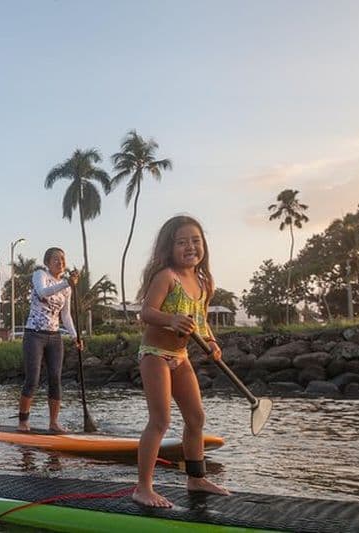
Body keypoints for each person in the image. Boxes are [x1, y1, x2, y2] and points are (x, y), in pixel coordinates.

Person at [132, 215, 229, 508]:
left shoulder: (203, 282)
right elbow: (146, 313)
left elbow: (201, 321)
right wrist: (171, 319)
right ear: (169, 247)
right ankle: (143, 488)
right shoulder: (167, 277)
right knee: (160, 420)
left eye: (196, 241)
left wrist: (211, 341)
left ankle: (196, 477)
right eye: (182, 242)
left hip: (181, 357)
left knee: (196, 418)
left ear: (204, 246)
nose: (190, 247)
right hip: (154, 355)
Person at [17, 247, 81, 433]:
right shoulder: (40, 274)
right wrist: (66, 283)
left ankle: (54, 423)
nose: (60, 262)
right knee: (33, 379)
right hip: (34, 334)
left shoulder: (66, 287)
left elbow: (66, 316)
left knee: (55, 378)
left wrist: (75, 336)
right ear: (47, 262)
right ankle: (23, 421)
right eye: (55, 259)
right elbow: (43, 292)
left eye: (62, 259)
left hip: (54, 337)